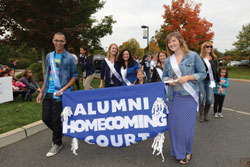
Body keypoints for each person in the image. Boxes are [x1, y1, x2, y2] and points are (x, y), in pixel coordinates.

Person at [162, 32, 206, 165]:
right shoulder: (168, 60)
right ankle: (178, 152)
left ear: (180, 41)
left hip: (189, 97)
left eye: (173, 41)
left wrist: (188, 77)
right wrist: (168, 80)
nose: (171, 44)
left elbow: (203, 73)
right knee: (174, 127)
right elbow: (164, 76)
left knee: (187, 126)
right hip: (174, 97)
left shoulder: (192, 56)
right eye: (169, 42)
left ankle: (187, 151)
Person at [36, 32, 78, 157]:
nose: (58, 43)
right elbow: (47, 75)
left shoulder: (69, 58)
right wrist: (42, 91)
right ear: (53, 41)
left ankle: (57, 143)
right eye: (56, 40)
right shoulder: (49, 56)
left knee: (55, 119)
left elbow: (74, 77)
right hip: (48, 92)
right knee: (45, 118)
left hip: (60, 94)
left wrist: (63, 89)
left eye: (61, 41)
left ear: (64, 42)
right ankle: (59, 132)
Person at [198, 41, 219, 122]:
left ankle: (206, 113)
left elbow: (215, 70)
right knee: (201, 97)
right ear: (204, 48)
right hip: (201, 80)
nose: (209, 48)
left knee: (209, 99)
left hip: (210, 81)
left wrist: (218, 80)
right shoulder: (200, 58)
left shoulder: (214, 58)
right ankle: (201, 114)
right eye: (207, 46)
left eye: (210, 47)